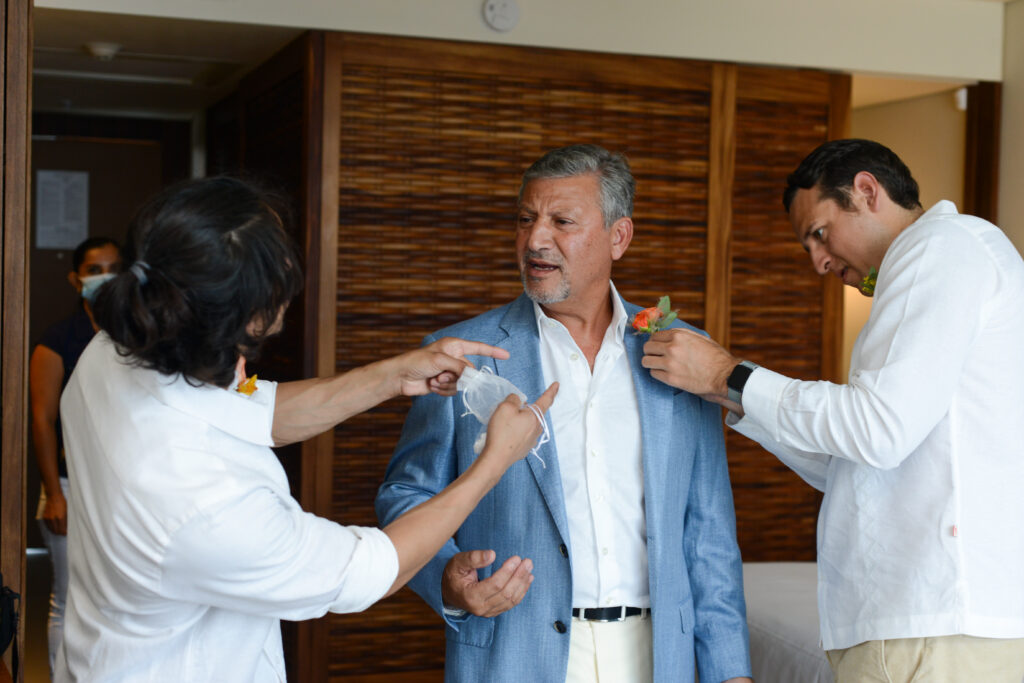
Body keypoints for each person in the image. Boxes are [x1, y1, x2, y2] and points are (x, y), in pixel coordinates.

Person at [54, 176, 556, 683]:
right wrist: (494, 462)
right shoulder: (203, 502)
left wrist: (393, 375)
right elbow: (369, 570)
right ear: (247, 318)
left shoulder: (120, 348)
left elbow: (253, 408)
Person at [641, 138, 1024, 682]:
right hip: (922, 623)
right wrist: (726, 393)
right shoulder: (939, 264)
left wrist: (732, 373)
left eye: (820, 233)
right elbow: (859, 461)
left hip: (933, 627)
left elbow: (877, 432)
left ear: (866, 191)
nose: (819, 261)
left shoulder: (940, 249)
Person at [376, 144, 752, 683]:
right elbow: (404, 494)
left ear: (618, 236)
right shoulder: (460, 354)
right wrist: (446, 581)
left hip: (658, 655)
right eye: (526, 220)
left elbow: (708, 532)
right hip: (514, 653)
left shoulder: (687, 355)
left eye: (561, 221)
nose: (535, 239)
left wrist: (731, 671)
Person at [29, 235, 121, 677]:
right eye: (94, 270)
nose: (105, 278)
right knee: (67, 597)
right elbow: (42, 419)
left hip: (116, 487)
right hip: (68, 484)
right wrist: (53, 493)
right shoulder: (58, 339)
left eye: (113, 268)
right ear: (75, 279)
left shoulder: (135, 335)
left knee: (111, 595)